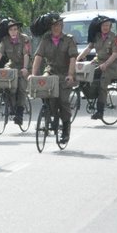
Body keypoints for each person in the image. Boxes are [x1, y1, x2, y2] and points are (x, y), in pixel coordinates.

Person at [30, 12, 77, 143]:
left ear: (62, 26)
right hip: (51, 71)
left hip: (65, 73)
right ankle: (48, 114)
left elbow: (73, 58)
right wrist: (33, 75)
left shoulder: (69, 39)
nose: (57, 27)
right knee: (42, 86)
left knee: (63, 101)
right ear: (51, 27)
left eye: (59, 25)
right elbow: (38, 56)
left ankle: (66, 129)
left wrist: (70, 75)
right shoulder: (46, 39)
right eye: (54, 25)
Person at [78, 15, 117, 120]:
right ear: (100, 26)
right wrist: (78, 59)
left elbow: (115, 54)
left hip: (111, 65)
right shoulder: (97, 36)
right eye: (103, 25)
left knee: (103, 84)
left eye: (107, 25)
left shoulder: (115, 37)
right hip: (98, 62)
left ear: (110, 26)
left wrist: (106, 64)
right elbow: (88, 49)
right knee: (83, 74)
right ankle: (90, 93)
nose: (105, 27)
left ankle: (100, 112)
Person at [0, 17, 31, 126]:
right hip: (12, 65)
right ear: (8, 31)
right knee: (8, 83)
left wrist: (25, 68)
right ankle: (9, 100)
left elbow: (26, 54)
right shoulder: (5, 40)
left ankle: (20, 112)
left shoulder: (24, 39)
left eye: (15, 29)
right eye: (10, 30)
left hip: (24, 65)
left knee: (22, 87)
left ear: (18, 30)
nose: (13, 32)